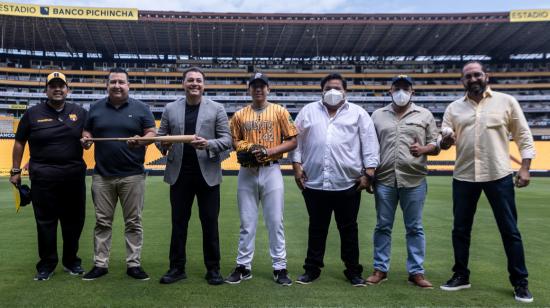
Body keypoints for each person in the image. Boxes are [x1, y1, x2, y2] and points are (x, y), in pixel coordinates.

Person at [439, 61, 536, 303]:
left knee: (510, 231)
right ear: (462, 81)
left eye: (476, 74)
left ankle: (520, 282)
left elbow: (523, 134)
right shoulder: (453, 108)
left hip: (499, 175)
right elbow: (443, 140)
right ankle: (461, 275)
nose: (473, 79)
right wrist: (446, 139)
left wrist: (525, 167)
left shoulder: (506, 101)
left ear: (486, 76)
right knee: (460, 230)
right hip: (464, 176)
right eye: (467, 76)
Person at [290, 73, 379, 287]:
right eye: (329, 87)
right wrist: (296, 168)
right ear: (322, 90)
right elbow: (296, 143)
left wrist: (369, 175)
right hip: (315, 182)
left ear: (345, 91)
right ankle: (311, 269)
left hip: (348, 183)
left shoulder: (358, 113)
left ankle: (353, 271)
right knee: (316, 228)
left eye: (338, 87)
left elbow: (370, 145)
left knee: (349, 230)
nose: (333, 91)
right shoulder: (307, 111)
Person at [156, 67, 232, 285]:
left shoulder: (217, 108)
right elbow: (161, 137)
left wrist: (208, 144)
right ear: (183, 83)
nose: (195, 84)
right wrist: (163, 144)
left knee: (210, 223)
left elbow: (227, 140)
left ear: (204, 84)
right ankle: (177, 268)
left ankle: (213, 269)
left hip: (207, 174)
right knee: (178, 223)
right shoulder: (170, 108)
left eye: (199, 80)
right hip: (179, 174)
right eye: (190, 80)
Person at [81, 67, 156, 281]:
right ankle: (100, 264)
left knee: (133, 221)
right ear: (107, 85)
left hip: (132, 175)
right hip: (102, 176)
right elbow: (87, 131)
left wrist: (142, 139)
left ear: (128, 85)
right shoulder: (95, 108)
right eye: (113, 82)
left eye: (121, 82)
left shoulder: (141, 108)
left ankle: (134, 264)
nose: (117, 86)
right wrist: (86, 138)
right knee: (102, 222)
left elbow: (152, 133)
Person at [10, 72, 87, 280]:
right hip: (43, 179)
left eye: (61, 85)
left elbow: (88, 135)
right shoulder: (32, 113)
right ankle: (47, 265)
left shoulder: (79, 112)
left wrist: (88, 139)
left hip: (73, 178)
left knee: (74, 221)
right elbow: (19, 142)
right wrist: (16, 170)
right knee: (45, 222)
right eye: (52, 85)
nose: (57, 89)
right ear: (46, 90)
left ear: (67, 89)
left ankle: (72, 261)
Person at [225, 72, 297, 286]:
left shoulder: (280, 112)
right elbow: (233, 141)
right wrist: (246, 147)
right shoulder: (239, 115)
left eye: (262, 86)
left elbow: (293, 141)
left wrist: (269, 151)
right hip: (247, 171)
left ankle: (280, 267)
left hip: (271, 169)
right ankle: (243, 266)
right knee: (247, 223)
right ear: (249, 89)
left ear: (268, 88)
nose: (258, 89)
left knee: (275, 221)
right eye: (254, 86)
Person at [367, 75, 439, 288]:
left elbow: (436, 143)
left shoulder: (424, 115)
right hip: (384, 179)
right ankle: (380, 269)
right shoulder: (377, 115)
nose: (401, 92)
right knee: (382, 226)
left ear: (412, 92)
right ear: (390, 91)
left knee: (415, 227)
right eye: (397, 88)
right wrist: (369, 174)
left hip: (414, 179)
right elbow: (370, 146)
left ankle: (416, 272)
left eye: (405, 88)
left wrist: (425, 149)